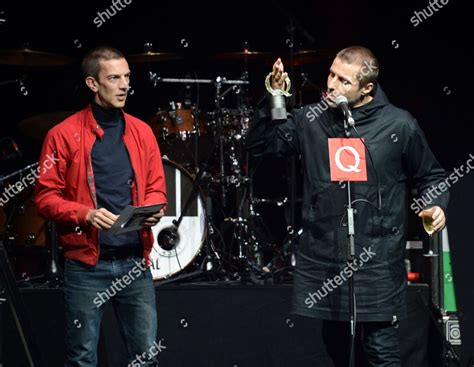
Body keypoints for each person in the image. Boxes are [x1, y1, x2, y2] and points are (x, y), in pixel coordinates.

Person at [245, 46, 448, 366]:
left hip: (378, 260)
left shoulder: (399, 125)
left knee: (380, 349)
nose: (332, 85)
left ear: (367, 88)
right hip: (327, 256)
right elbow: (261, 145)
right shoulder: (312, 120)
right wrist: (273, 98)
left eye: (343, 81)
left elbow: (432, 175)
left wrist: (435, 205)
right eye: (331, 75)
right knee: (335, 348)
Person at [35, 46, 167, 366]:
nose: (124, 85)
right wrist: (86, 214)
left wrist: (153, 209)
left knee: (146, 357)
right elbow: (45, 198)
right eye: (114, 78)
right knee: (82, 359)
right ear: (93, 84)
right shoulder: (62, 135)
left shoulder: (142, 132)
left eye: (127, 77)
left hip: (134, 263)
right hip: (86, 266)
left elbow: (156, 190)